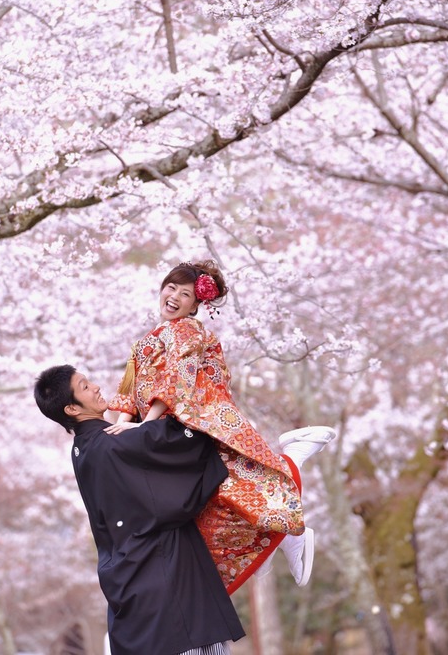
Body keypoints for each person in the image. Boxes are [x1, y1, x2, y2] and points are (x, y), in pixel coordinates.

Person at [104, 259, 337, 593]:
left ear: (196, 304)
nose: (174, 297)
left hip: (184, 423)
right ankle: (274, 536)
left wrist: (144, 426)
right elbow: (131, 385)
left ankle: (290, 479)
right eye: (171, 288)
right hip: (161, 425)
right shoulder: (153, 335)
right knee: (213, 498)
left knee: (219, 490)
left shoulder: (186, 330)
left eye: (185, 294)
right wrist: (123, 424)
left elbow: (176, 380)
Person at [34, 364, 246, 655]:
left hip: (130, 585)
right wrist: (155, 418)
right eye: (84, 386)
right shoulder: (117, 442)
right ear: (72, 409)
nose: (95, 386)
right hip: (169, 586)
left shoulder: (82, 451)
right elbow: (194, 438)